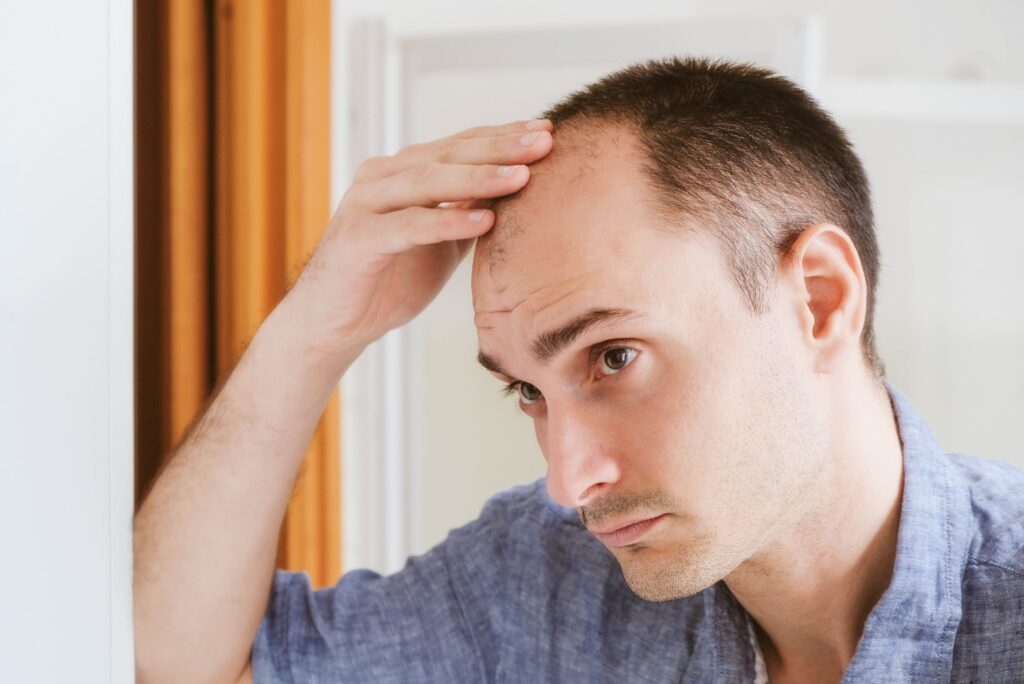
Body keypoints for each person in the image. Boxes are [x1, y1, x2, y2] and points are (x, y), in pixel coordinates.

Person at [133, 57, 1024, 684]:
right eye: (527, 390)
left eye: (614, 357)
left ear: (820, 301)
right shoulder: (553, 574)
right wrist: (312, 332)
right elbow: (175, 662)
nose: (568, 482)